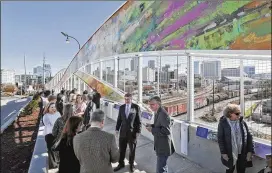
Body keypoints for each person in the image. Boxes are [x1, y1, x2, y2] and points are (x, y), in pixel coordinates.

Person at [217, 104, 254, 173]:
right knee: (230, 169)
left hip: (242, 152)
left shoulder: (242, 122)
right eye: (237, 113)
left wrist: (250, 150)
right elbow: (220, 139)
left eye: (240, 113)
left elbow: (249, 136)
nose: (239, 115)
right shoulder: (223, 123)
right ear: (230, 113)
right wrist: (223, 153)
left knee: (241, 170)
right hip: (230, 152)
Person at [146, 96, 175, 173]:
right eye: (149, 104)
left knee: (160, 169)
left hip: (163, 147)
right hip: (160, 145)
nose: (150, 106)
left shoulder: (163, 114)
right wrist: (151, 125)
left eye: (152, 104)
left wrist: (152, 130)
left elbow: (166, 131)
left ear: (158, 104)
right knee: (163, 167)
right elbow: (159, 125)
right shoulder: (157, 112)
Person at [114, 93, 142, 172]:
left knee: (132, 150)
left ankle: (131, 165)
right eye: (125, 99)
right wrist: (116, 130)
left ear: (131, 99)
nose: (126, 100)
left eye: (128, 99)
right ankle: (121, 163)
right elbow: (119, 119)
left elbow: (139, 121)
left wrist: (138, 132)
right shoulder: (122, 107)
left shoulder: (136, 107)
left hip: (132, 133)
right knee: (121, 150)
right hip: (122, 132)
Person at [43, 102, 61, 169]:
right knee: (51, 150)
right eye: (52, 107)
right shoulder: (46, 116)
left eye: (54, 107)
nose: (54, 108)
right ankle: (53, 165)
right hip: (49, 134)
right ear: (48, 108)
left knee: (57, 149)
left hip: (57, 134)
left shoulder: (58, 113)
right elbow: (49, 126)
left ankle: (58, 162)